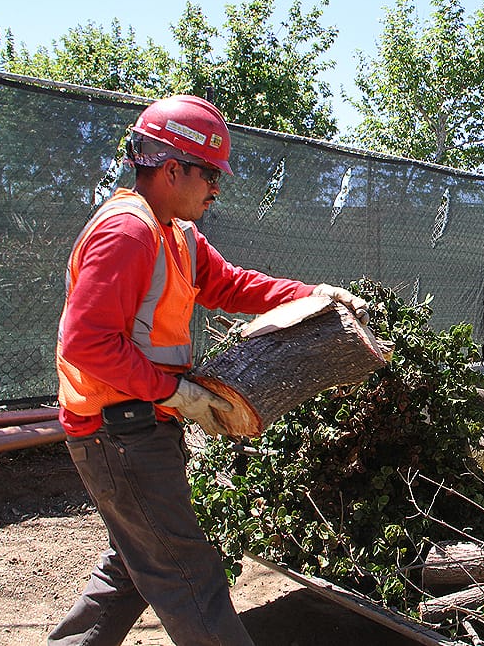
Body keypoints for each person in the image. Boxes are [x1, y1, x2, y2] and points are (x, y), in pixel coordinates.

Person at [49, 94, 367, 646]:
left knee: (134, 569)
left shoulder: (176, 233)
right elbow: (86, 343)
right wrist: (173, 392)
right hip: (117, 432)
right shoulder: (129, 232)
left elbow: (232, 285)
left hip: (138, 427)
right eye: (209, 174)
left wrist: (312, 295)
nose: (216, 188)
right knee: (190, 579)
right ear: (172, 168)